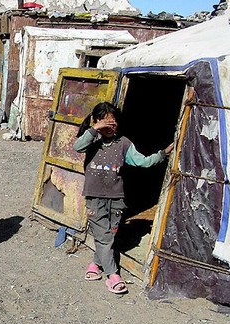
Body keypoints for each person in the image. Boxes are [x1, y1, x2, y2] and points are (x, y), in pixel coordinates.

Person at [73, 102, 174, 294]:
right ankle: (113, 275)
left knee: (108, 236)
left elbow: (142, 162)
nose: (111, 127)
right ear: (96, 121)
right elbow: (77, 146)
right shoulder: (91, 141)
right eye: (106, 123)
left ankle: (95, 264)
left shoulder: (124, 143)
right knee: (103, 238)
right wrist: (95, 129)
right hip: (95, 198)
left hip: (116, 199)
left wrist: (163, 153)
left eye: (114, 123)